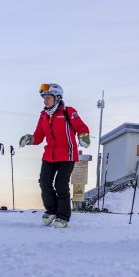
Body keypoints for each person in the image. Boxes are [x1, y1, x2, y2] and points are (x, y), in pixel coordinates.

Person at [19, 83, 90, 228]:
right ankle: (52, 211)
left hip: (67, 155)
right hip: (49, 155)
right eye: (44, 98)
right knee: (44, 182)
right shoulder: (44, 116)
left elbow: (81, 127)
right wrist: (29, 139)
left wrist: (84, 137)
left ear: (57, 98)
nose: (45, 101)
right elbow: (38, 136)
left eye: (48, 97)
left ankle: (63, 217)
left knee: (61, 185)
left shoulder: (68, 112)